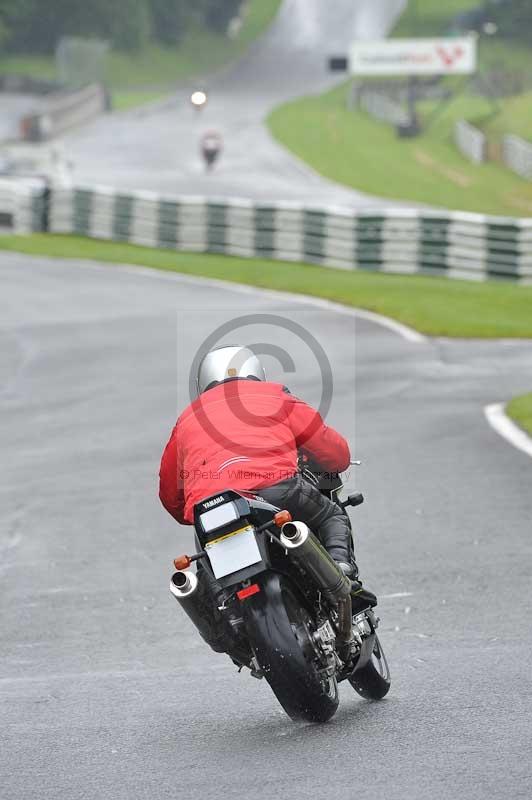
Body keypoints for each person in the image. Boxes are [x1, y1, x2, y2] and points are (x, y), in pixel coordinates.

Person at [159, 345, 376, 609]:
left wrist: (193, 511)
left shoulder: (187, 417)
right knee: (332, 515)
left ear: (204, 382)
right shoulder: (274, 394)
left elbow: (170, 493)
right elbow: (334, 452)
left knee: (206, 566)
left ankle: (223, 612)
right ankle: (343, 575)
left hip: (209, 508)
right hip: (275, 487)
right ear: (255, 372)